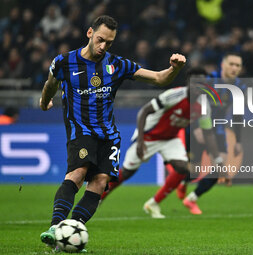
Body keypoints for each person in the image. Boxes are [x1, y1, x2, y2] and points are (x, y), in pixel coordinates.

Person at [39, 15, 186, 251]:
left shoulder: (117, 65)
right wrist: (45, 102)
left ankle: (71, 233)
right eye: (100, 40)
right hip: (81, 131)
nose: (103, 46)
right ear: (89, 33)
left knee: (100, 182)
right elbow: (50, 85)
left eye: (108, 42)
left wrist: (174, 69)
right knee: (77, 173)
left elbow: (159, 79)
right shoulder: (64, 62)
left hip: (108, 135)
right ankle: (56, 227)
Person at [100, 68, 223, 218]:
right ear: (188, 82)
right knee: (126, 172)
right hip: (148, 135)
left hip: (170, 139)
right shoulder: (175, 95)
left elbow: (208, 133)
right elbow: (144, 112)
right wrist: (140, 141)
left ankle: (153, 204)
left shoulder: (204, 106)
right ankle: (101, 194)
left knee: (183, 168)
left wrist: (217, 159)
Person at [177, 52, 245, 215]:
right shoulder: (209, 79)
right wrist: (196, 127)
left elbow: (238, 115)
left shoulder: (240, 87)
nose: (234, 68)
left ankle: (191, 199)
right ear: (223, 64)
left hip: (218, 129)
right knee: (193, 171)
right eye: (231, 64)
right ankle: (181, 182)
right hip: (198, 125)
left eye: (238, 65)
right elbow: (192, 100)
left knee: (219, 169)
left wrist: (238, 140)